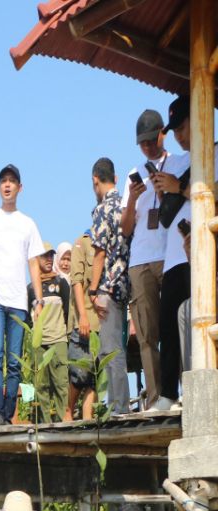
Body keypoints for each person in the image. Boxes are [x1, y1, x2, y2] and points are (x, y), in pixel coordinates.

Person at [0, 164, 45, 426]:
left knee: (14, 360)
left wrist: (37, 300)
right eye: (3, 181)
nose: (7, 185)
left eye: (12, 181)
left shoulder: (28, 224)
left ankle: (7, 413)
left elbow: (34, 264)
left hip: (18, 301)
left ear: (19, 187)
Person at [154, 95, 210, 407]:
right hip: (174, 256)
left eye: (182, 126)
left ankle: (198, 392)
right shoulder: (176, 161)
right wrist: (166, 188)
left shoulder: (212, 152)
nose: (179, 135)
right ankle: (167, 394)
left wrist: (180, 187)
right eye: (174, 130)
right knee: (167, 326)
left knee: (198, 322)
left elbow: (210, 195)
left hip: (202, 253)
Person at [119, 109, 175, 412]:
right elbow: (125, 228)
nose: (147, 148)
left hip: (170, 256)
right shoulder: (134, 172)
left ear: (162, 134)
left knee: (175, 329)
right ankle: (155, 400)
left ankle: (178, 395)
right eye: (142, 143)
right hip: (140, 260)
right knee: (146, 336)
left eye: (151, 141)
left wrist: (165, 190)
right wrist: (132, 198)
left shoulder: (178, 163)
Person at [87, 157, 132, 414]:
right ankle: (119, 403)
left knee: (110, 350)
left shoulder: (103, 209)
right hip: (127, 283)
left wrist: (93, 289)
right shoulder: (125, 205)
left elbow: (99, 253)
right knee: (118, 346)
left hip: (108, 285)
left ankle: (118, 406)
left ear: (95, 180)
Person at [28, 242, 72, 421]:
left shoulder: (61, 283)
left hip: (58, 340)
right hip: (39, 344)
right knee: (41, 386)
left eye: (50, 256)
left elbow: (68, 311)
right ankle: (44, 425)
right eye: (44, 256)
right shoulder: (30, 289)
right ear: (36, 259)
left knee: (61, 385)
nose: (49, 259)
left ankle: (63, 423)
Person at [67, 232, 99, 421]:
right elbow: (76, 282)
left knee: (93, 379)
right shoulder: (82, 243)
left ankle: (87, 420)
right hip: (85, 318)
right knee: (79, 375)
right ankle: (68, 411)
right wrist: (83, 317)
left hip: (104, 321)